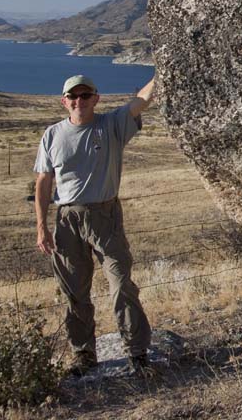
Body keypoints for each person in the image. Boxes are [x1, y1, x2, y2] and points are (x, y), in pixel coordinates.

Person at [34, 73, 157, 377]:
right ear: (64, 102)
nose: (79, 101)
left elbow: (141, 101)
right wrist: (41, 225)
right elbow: (43, 182)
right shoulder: (52, 135)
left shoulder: (111, 125)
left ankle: (137, 352)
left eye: (85, 96)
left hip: (105, 216)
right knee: (75, 291)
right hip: (66, 219)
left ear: (96, 99)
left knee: (121, 284)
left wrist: (162, 70)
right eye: (73, 97)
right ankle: (84, 354)